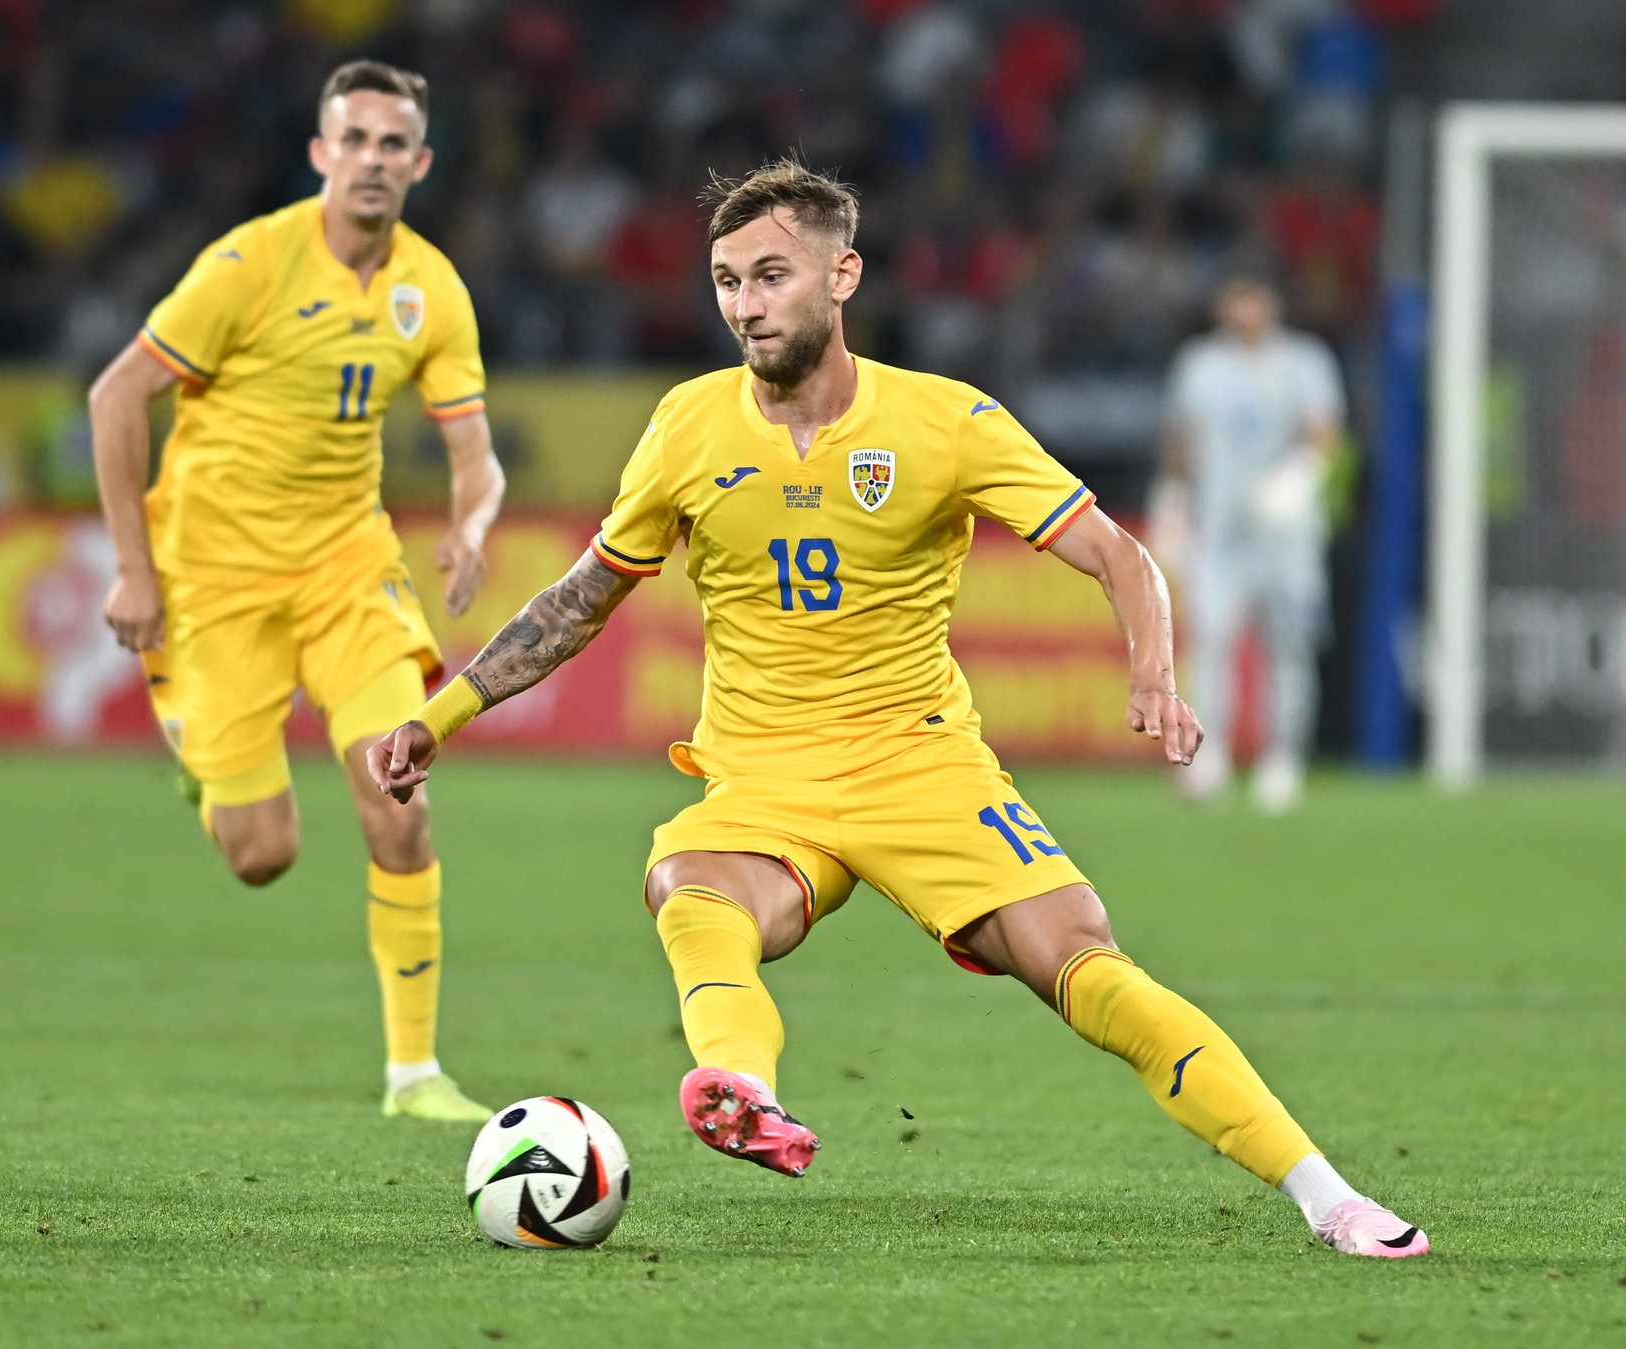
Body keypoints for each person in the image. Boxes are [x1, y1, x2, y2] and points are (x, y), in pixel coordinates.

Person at [368, 161, 1426, 1257]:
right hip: (763, 777)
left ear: (843, 276)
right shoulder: (686, 424)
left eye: (771, 274)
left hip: (921, 767)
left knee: (1086, 963)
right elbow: (580, 597)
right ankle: (739, 1084)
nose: (745, 304)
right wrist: (437, 717)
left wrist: (1154, 673)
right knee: (690, 885)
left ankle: (1330, 1196)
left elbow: (1119, 553)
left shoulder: (944, 420)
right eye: (727, 280)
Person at [89, 60, 502, 1123]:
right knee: (261, 856)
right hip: (215, 582)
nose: (373, 159)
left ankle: (415, 1074)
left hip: (347, 574)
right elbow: (116, 396)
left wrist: (470, 520)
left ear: (420, 163)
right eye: (353, 139)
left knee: (399, 803)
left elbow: (474, 453)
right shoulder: (250, 264)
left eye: (393, 143)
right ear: (321, 153)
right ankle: (199, 758)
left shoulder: (431, 288)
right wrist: (134, 567)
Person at [1155, 271, 1345, 813]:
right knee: (1211, 642)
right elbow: (1183, 440)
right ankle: (1208, 758)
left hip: (1287, 536)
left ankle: (1281, 759)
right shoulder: (1200, 365)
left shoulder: (1304, 362)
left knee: (1289, 646)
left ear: (1270, 302)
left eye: (1251, 299)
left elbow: (1325, 434)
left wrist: (1298, 477)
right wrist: (1171, 500)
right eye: (1233, 300)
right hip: (1221, 532)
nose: (1242, 311)